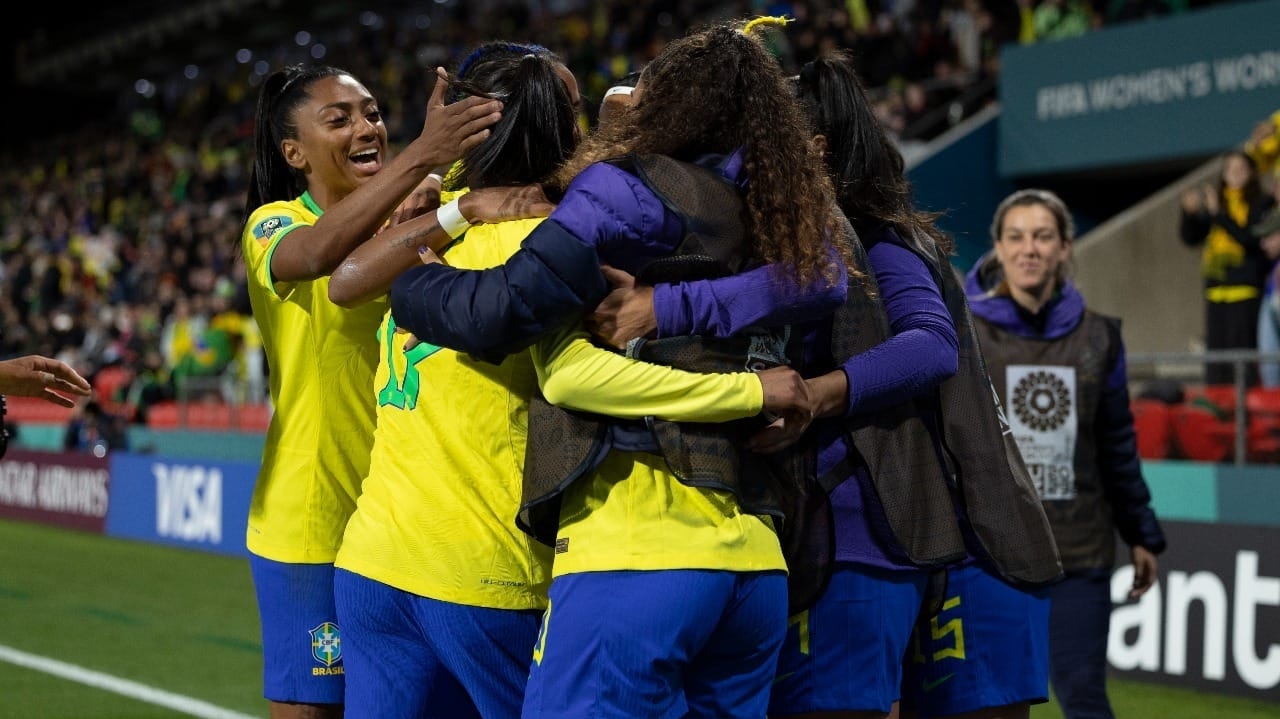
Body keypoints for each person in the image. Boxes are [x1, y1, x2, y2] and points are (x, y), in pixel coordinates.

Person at [391, 18, 846, 718]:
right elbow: (827, 281)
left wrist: (415, 275)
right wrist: (686, 310)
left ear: (671, 105)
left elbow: (505, 312)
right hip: (755, 561)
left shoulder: (626, 193)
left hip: (638, 549)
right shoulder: (778, 210)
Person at [589, 50, 1060, 719]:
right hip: (913, 534)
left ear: (810, 149)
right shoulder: (833, 238)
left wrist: (813, 392)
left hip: (926, 535)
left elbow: (929, 346)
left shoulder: (872, 242)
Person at [239, 61, 502, 718]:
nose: (366, 127)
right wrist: (421, 158)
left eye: (374, 114)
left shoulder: (416, 220)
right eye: (339, 118)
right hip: (315, 525)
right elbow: (318, 258)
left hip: (408, 527)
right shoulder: (274, 223)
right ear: (293, 152)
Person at [964, 188, 1167, 719]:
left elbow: (1116, 443)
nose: (1028, 248)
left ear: (1065, 249)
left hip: (1079, 551)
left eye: (1042, 236)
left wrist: (1141, 531)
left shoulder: (1100, 336)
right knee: (993, 706)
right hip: (991, 554)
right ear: (999, 249)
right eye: (1016, 237)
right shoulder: (963, 330)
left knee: (1082, 696)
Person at [1179, 149, 1275, 387]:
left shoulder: (1261, 203)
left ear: (1252, 173)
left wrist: (1219, 215)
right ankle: (1217, 417)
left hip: (1245, 292)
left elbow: (1252, 239)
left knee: (1242, 364)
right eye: (1229, 170)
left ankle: (1244, 418)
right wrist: (1189, 214)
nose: (1234, 175)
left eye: (1240, 169)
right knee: (1217, 364)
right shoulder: (1219, 204)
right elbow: (1191, 238)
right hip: (1216, 292)